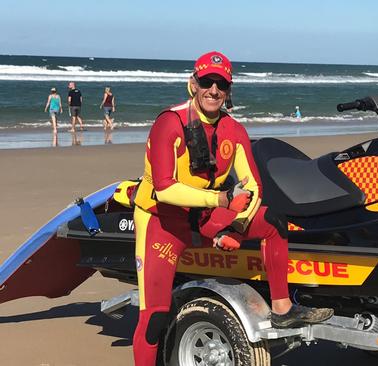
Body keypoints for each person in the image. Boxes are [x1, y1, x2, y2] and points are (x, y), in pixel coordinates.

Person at [131, 51, 333, 366]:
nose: (213, 90)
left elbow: (253, 187)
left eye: (221, 84)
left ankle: (281, 308)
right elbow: (165, 188)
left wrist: (236, 226)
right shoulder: (168, 124)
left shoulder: (234, 131)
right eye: (207, 82)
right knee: (155, 317)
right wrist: (221, 201)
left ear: (229, 90)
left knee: (273, 222)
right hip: (162, 221)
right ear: (193, 84)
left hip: (204, 216)